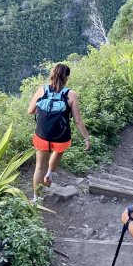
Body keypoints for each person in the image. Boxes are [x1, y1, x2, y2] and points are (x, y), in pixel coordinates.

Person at [27, 63, 90, 202]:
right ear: (66, 77)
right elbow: (78, 120)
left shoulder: (42, 90)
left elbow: (30, 111)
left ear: (52, 74)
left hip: (42, 135)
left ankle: (35, 198)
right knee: (58, 151)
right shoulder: (71, 95)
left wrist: (46, 111)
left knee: (39, 167)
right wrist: (86, 138)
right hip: (61, 136)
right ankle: (49, 175)